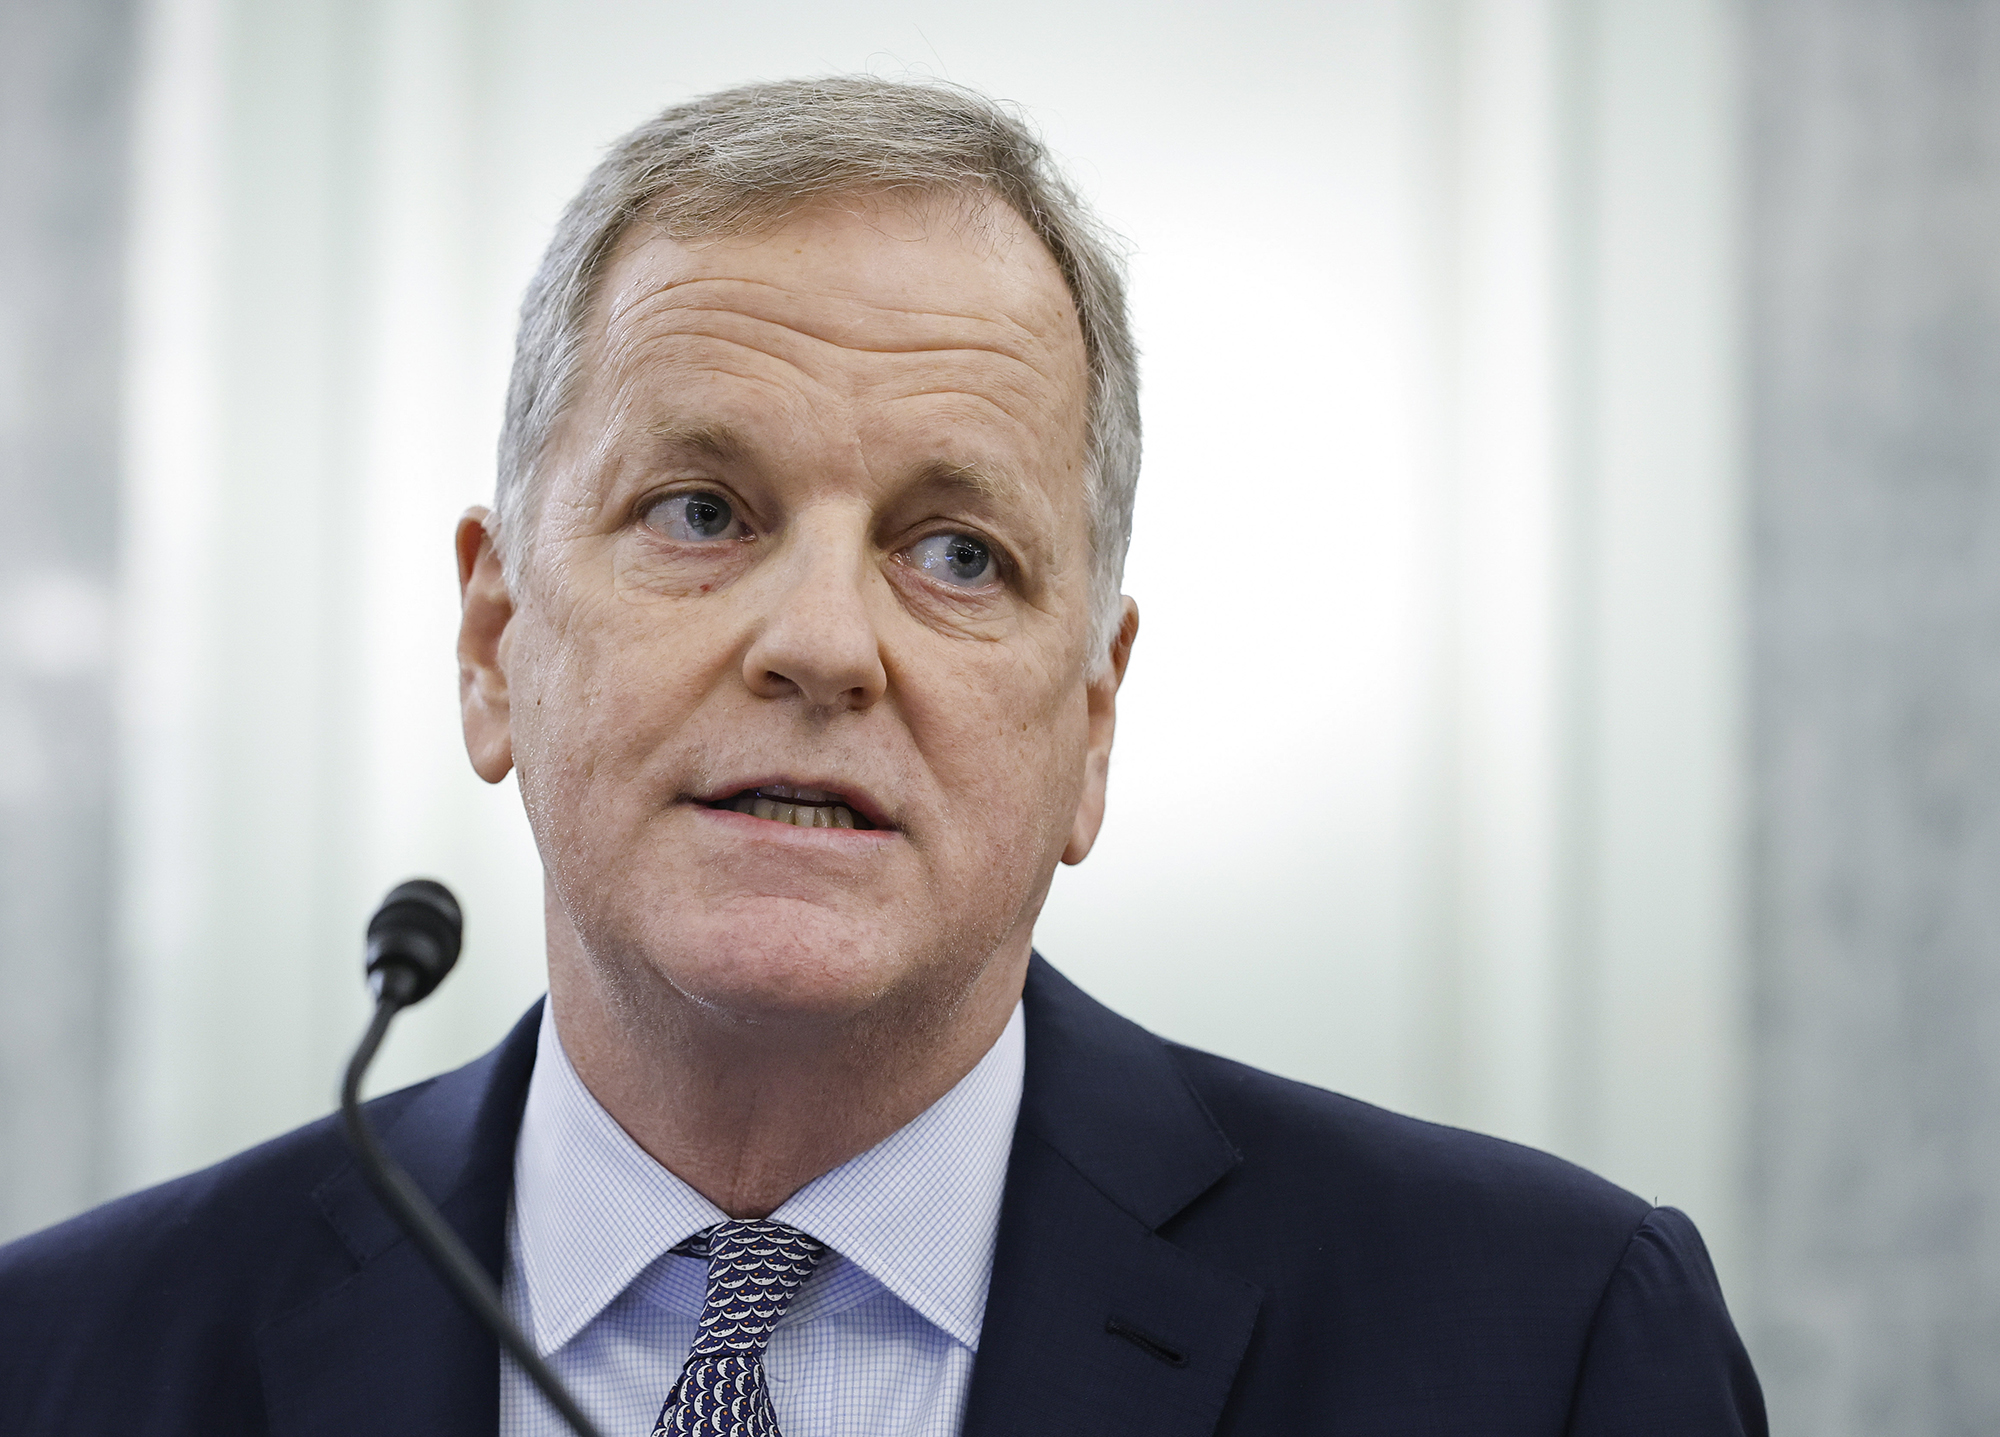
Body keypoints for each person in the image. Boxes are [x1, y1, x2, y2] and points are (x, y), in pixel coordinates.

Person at [0, 76, 1764, 1437]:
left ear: (1091, 722)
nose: (825, 645)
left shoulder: (1542, 1346)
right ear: (493, 642)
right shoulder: (65, 1361)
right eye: (703, 510)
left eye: (957, 552)